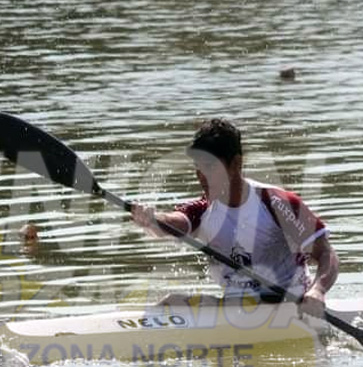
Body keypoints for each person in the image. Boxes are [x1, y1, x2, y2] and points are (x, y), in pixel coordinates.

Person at [130, 118, 338, 316]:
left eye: (210, 167)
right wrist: (153, 218)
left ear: (236, 164)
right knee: (170, 303)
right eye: (198, 169)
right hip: (235, 307)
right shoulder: (203, 209)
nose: (202, 177)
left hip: (287, 305)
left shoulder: (276, 202)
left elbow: (326, 253)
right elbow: (174, 223)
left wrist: (317, 291)